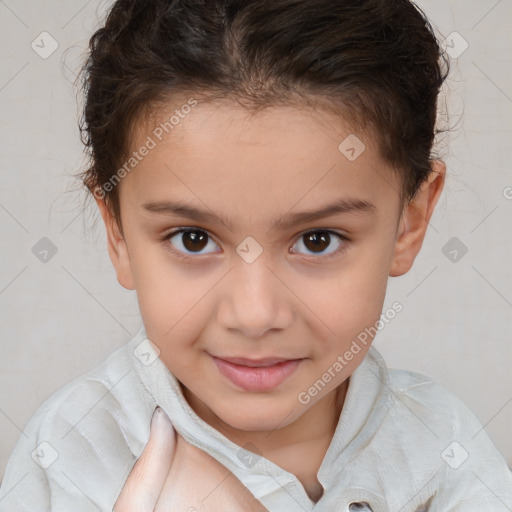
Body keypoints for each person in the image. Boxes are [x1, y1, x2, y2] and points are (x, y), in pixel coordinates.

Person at [1, 0, 511, 510]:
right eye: (193, 239)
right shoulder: (71, 455)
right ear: (117, 232)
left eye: (318, 240)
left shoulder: (443, 448)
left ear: (410, 220)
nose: (255, 315)